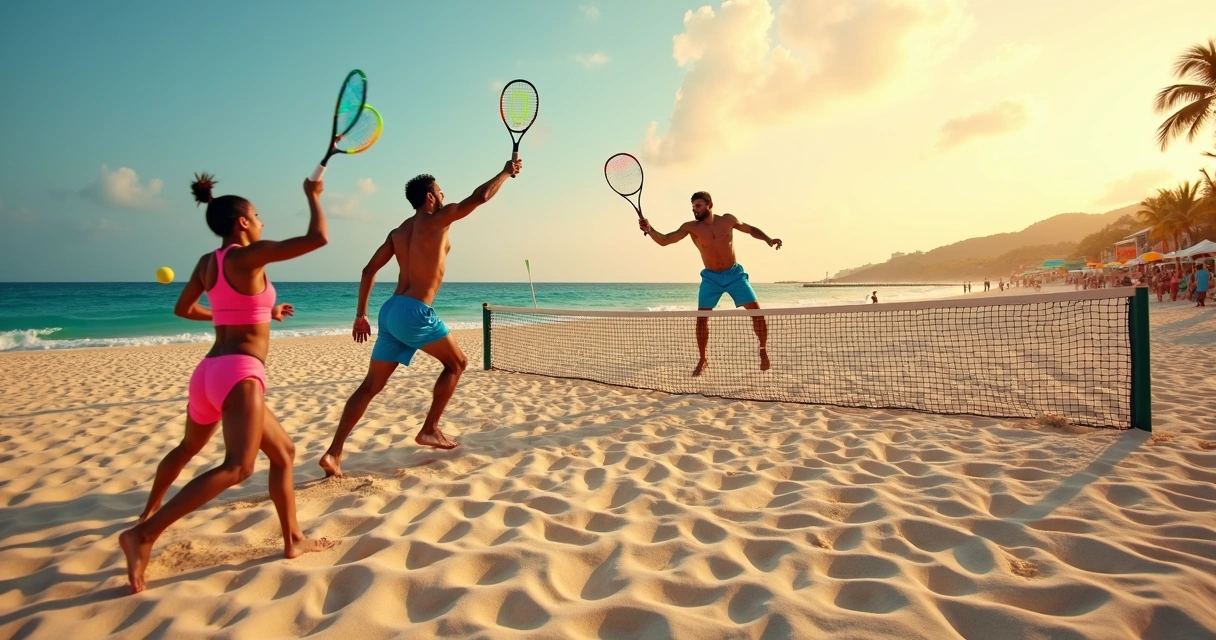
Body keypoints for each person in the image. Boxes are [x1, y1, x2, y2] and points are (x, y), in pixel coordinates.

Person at [120, 174, 334, 594]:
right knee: (239, 467)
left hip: (208, 374)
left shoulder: (208, 262)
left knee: (282, 452)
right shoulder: (248, 257)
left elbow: (186, 309)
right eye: (257, 216)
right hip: (239, 375)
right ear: (241, 222)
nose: (261, 223)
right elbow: (318, 238)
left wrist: (260, 315)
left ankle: (293, 539)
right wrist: (312, 196)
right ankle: (143, 535)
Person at [319, 158, 522, 477]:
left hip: (389, 311)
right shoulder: (439, 219)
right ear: (430, 197)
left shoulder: (398, 232)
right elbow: (480, 197)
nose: (443, 195)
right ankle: (430, 428)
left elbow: (368, 270)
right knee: (457, 364)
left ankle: (333, 453)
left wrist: (361, 314)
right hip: (414, 310)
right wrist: (506, 173)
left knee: (370, 386)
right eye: (440, 191)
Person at [638, 191, 782, 377]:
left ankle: (763, 349)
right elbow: (665, 240)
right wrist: (649, 229)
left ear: (709, 205)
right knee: (702, 319)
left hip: (734, 275)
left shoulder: (728, 220)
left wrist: (768, 239)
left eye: (698, 206)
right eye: (692, 207)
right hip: (711, 278)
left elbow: (750, 229)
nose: (694, 210)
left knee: (757, 313)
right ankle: (703, 358)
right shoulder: (691, 227)